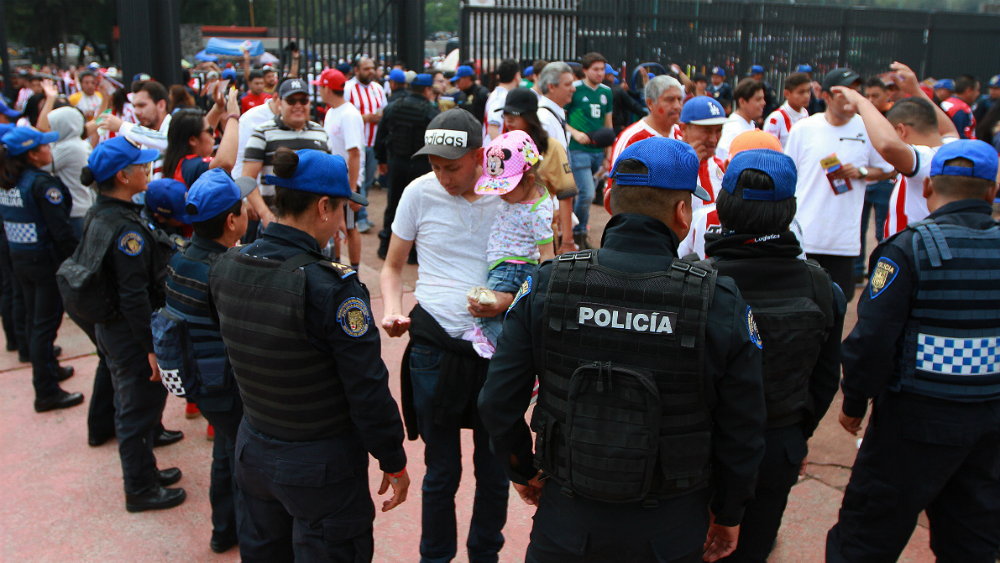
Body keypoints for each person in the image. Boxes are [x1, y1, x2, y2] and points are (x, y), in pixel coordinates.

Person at [478, 136, 766, 563]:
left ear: (609, 201)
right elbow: (743, 427)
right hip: (670, 527)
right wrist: (728, 511)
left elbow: (497, 401)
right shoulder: (718, 299)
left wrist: (524, 470)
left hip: (566, 521)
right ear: (683, 213)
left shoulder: (546, 284)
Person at [207, 147, 408, 562]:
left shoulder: (227, 265)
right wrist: (393, 458)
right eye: (341, 211)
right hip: (319, 468)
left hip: (252, 450)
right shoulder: (331, 288)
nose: (341, 222)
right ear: (323, 206)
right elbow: (367, 388)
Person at [828, 139, 1000, 563]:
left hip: (914, 424)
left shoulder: (908, 249)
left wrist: (854, 401)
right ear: (993, 193)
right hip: (990, 426)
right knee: (973, 542)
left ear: (927, 188)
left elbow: (871, 340)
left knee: (865, 541)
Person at [704, 149, 846, 563]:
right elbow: (824, 380)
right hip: (778, 444)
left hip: (699, 446)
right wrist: (795, 438)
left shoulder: (695, 282)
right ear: (791, 210)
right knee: (754, 546)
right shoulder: (823, 288)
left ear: (722, 205)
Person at [379, 109, 508, 563]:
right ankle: (435, 557)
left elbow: (537, 270)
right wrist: (393, 311)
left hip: (494, 348)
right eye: (434, 164)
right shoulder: (419, 192)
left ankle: (484, 554)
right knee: (441, 472)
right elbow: (393, 267)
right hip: (434, 344)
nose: (441, 175)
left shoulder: (509, 194)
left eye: (451, 166)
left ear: (479, 155)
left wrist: (504, 302)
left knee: (495, 469)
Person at [72, 136, 184, 511]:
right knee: (136, 409)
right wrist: (151, 348)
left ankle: (147, 470)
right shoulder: (127, 231)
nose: (146, 169)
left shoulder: (102, 212)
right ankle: (139, 488)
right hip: (131, 333)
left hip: (113, 329)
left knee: (135, 403)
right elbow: (133, 295)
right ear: (123, 175)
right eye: (140, 164)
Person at [158, 168, 253, 553]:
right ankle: (247, 536)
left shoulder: (181, 257)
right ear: (232, 222)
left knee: (225, 451)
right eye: (244, 208)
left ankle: (223, 530)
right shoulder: (226, 270)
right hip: (225, 385)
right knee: (245, 462)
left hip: (199, 380)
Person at [832, 64, 959, 277]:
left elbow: (888, 146)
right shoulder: (949, 147)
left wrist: (861, 101)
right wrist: (916, 91)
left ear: (900, 130)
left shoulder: (927, 159)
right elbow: (948, 128)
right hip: (926, 253)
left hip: (910, 259)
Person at [783, 68, 894, 302]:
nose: (852, 97)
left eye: (855, 91)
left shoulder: (867, 127)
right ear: (826, 96)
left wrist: (861, 171)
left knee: (838, 304)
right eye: (844, 92)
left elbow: (888, 168)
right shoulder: (804, 128)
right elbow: (788, 174)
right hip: (807, 236)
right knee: (804, 302)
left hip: (843, 239)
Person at [0, 126, 80, 412]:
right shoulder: (42, 184)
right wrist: (78, 261)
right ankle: (45, 391)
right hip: (44, 262)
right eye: (44, 147)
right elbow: (61, 231)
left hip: (19, 258)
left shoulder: (9, 180)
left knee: (35, 319)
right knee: (44, 326)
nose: (50, 150)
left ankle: (49, 368)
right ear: (32, 155)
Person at [472, 131, 554, 347]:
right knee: (510, 319)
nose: (501, 194)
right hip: (508, 266)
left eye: (506, 188)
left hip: (511, 269)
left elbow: (547, 255)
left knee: (484, 316)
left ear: (528, 180)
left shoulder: (538, 211)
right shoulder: (525, 197)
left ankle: (514, 359)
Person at [242, 78, 330, 230]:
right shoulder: (263, 132)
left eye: (303, 100)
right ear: (279, 103)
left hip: (314, 223)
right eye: (291, 100)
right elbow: (247, 177)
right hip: (277, 222)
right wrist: (265, 214)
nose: (298, 106)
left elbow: (328, 175)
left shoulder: (320, 132)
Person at [501, 87, 578, 255]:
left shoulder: (551, 148)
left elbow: (566, 193)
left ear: (530, 117)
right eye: (506, 115)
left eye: (515, 115)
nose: (509, 120)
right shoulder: (502, 147)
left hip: (541, 241)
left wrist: (567, 240)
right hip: (505, 241)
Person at [373, 73, 439, 261]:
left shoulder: (393, 106)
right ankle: (413, 254)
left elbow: (381, 134)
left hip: (397, 162)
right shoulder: (430, 112)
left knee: (393, 204)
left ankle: (385, 248)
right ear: (427, 90)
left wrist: (381, 160)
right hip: (420, 165)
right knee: (420, 208)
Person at [314, 68, 365, 267]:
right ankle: (335, 264)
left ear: (327, 88)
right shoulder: (331, 112)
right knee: (332, 224)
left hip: (347, 181)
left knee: (350, 227)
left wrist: (352, 189)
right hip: (332, 179)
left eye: (321, 87)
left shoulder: (349, 114)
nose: (319, 91)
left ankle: (354, 269)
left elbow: (354, 153)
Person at [566, 53, 613, 250]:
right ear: (585, 70)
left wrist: (608, 154)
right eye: (595, 69)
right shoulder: (574, 89)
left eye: (602, 69)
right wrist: (575, 133)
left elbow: (608, 123)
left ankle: (574, 227)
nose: (600, 73)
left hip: (597, 151)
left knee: (583, 194)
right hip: (578, 149)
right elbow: (562, 118)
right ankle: (577, 232)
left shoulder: (607, 92)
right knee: (587, 193)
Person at [162, 88, 240, 188]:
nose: (214, 135)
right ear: (192, 140)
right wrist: (233, 116)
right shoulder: (190, 165)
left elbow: (200, 130)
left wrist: (219, 108)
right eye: (210, 131)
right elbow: (226, 163)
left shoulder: (181, 161)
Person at [345, 56, 387, 234]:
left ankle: (361, 209)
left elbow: (384, 108)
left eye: (372, 68)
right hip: (357, 143)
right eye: (366, 68)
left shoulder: (377, 88)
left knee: (369, 181)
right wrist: (365, 118)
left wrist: (379, 117)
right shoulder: (348, 88)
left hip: (374, 142)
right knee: (359, 181)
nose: (370, 71)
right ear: (356, 70)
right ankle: (360, 217)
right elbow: (343, 113)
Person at [101, 80, 171, 179]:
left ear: (161, 105)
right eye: (134, 106)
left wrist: (122, 126)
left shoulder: (176, 126)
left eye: (142, 105)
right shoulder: (141, 135)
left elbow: (166, 142)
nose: (136, 112)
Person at [47, 107, 93, 237]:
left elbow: (44, 166)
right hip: (82, 206)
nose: (51, 131)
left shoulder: (68, 147)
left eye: (53, 126)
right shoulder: (80, 143)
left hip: (75, 210)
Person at [717, 79, 765, 161]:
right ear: (742, 102)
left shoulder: (750, 123)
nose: (763, 103)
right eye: (758, 99)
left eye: (763, 99)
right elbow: (724, 159)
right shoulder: (733, 128)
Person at [762, 72, 811, 149]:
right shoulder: (775, 119)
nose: (807, 96)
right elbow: (768, 149)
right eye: (801, 92)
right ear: (787, 94)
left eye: (808, 91)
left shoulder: (805, 112)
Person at [536, 62, 575, 149]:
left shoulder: (556, 112)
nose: (573, 89)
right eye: (568, 84)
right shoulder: (544, 118)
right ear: (551, 87)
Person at [484, 59, 521, 141]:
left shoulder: (501, 95)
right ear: (516, 76)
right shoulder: (500, 97)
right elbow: (493, 128)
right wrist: (501, 150)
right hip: (494, 149)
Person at [942, 75, 979, 139]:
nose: (978, 93)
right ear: (968, 90)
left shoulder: (944, 102)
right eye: (977, 90)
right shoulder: (963, 109)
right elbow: (963, 136)